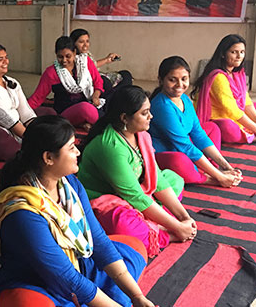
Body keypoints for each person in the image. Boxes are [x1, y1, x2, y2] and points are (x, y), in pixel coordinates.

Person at [0, 116, 153, 307]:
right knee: (29, 303)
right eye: (71, 147)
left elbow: (97, 239)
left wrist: (137, 296)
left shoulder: (69, 183)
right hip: (35, 281)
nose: (78, 152)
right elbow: (65, 277)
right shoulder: (23, 213)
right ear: (48, 158)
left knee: (134, 247)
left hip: (75, 263)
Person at [78, 86, 197, 257]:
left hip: (137, 192)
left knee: (174, 179)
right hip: (108, 203)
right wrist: (177, 227)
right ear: (125, 118)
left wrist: (185, 217)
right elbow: (133, 196)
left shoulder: (141, 135)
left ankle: (158, 221)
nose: (151, 116)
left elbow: (157, 179)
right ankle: (165, 234)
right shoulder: (110, 146)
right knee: (123, 225)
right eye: (145, 113)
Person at [149, 56, 243, 187]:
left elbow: (197, 133)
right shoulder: (162, 106)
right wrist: (219, 176)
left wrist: (226, 166)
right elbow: (184, 145)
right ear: (161, 80)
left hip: (183, 147)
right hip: (166, 153)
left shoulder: (185, 99)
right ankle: (208, 178)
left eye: (184, 79)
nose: (179, 85)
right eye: (172, 80)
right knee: (179, 161)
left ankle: (214, 169)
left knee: (211, 128)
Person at [191, 34, 256, 143]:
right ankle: (252, 137)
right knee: (228, 127)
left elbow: (246, 102)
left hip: (235, 116)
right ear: (223, 54)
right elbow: (232, 110)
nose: (239, 56)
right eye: (234, 52)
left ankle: (248, 132)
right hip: (218, 118)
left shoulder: (237, 74)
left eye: (242, 52)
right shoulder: (218, 77)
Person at [28, 36, 103, 130]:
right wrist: (22, 113)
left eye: (68, 56)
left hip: (89, 102)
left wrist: (95, 96)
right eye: (60, 57)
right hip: (65, 111)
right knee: (86, 109)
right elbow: (37, 97)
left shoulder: (85, 63)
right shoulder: (51, 72)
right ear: (56, 55)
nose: (64, 60)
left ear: (75, 53)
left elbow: (98, 81)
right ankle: (97, 122)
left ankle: (84, 122)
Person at [71, 28, 133, 101]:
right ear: (73, 43)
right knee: (105, 82)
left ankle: (115, 95)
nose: (85, 45)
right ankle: (115, 97)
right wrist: (106, 60)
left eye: (87, 41)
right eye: (81, 42)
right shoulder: (73, 57)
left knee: (125, 75)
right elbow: (88, 70)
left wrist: (107, 60)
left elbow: (92, 66)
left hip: (98, 77)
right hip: (91, 82)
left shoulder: (85, 54)